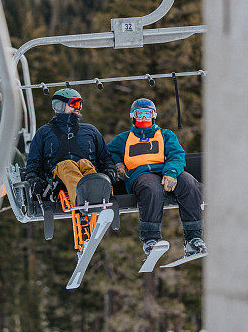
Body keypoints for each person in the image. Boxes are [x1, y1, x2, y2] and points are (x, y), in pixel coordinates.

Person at [107, 98, 206, 257]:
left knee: (190, 184)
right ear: (133, 117)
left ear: (154, 116)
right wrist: (118, 164)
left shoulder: (165, 135)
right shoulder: (124, 139)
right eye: (140, 114)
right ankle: (150, 238)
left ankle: (193, 238)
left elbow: (176, 154)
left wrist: (171, 172)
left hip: (165, 170)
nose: (144, 117)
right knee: (152, 189)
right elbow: (108, 153)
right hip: (140, 174)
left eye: (148, 113)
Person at [24, 88, 116, 203]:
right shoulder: (44, 132)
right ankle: (82, 201)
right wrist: (33, 178)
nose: (78, 107)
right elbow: (34, 161)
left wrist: (110, 170)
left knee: (85, 163)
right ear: (60, 106)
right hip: (57, 178)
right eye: (74, 103)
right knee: (67, 165)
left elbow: (105, 157)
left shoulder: (90, 130)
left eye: (80, 104)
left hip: (86, 172)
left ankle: (100, 198)